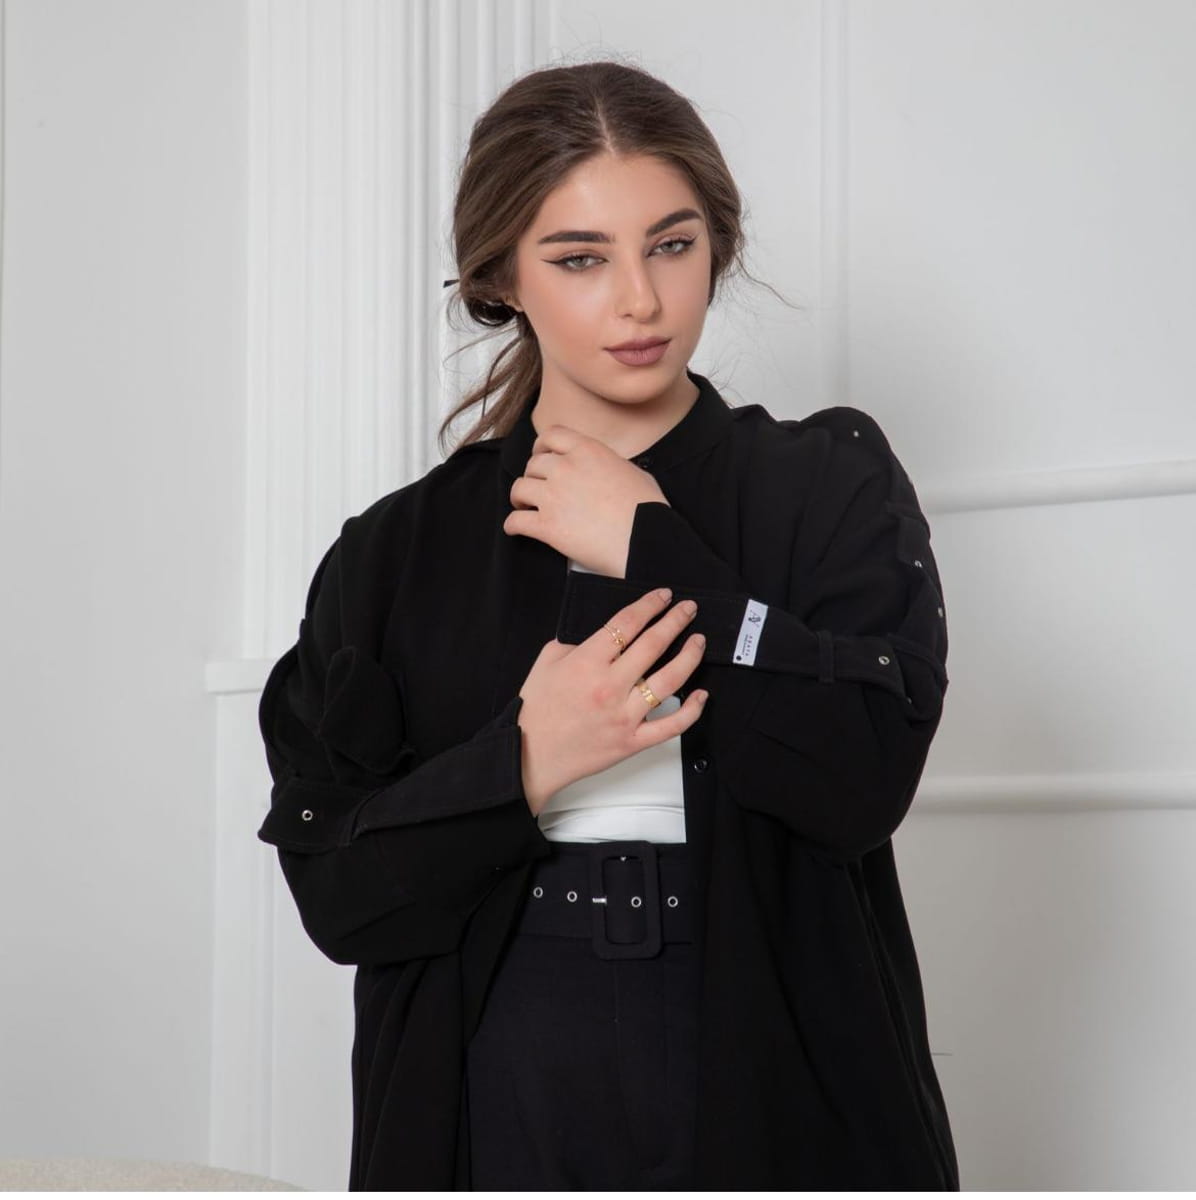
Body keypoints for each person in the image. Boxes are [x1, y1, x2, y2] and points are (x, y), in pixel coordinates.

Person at [257, 58, 959, 1191]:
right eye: (580, 258)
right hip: (495, 1075)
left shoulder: (826, 482)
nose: (640, 300)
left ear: (716, 246)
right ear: (502, 276)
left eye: (670, 245)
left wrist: (654, 549)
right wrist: (525, 760)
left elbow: (860, 779)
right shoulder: (393, 551)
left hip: (771, 1067)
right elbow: (340, 899)